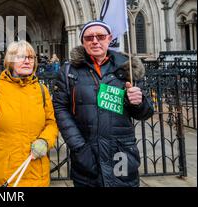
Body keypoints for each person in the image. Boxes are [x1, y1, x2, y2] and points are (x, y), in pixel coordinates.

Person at [52, 20, 154, 187]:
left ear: (109, 38)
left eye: (100, 36)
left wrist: (138, 101)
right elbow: (60, 108)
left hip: (121, 153)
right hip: (86, 152)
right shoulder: (69, 71)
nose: (95, 41)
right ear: (82, 41)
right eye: (89, 37)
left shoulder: (128, 68)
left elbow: (146, 112)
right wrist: (78, 146)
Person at [0, 40, 59, 187]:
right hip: (2, 175)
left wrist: (45, 140)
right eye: (20, 57)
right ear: (10, 61)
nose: (27, 61)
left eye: (30, 58)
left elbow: (51, 123)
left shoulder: (42, 90)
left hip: (36, 173)